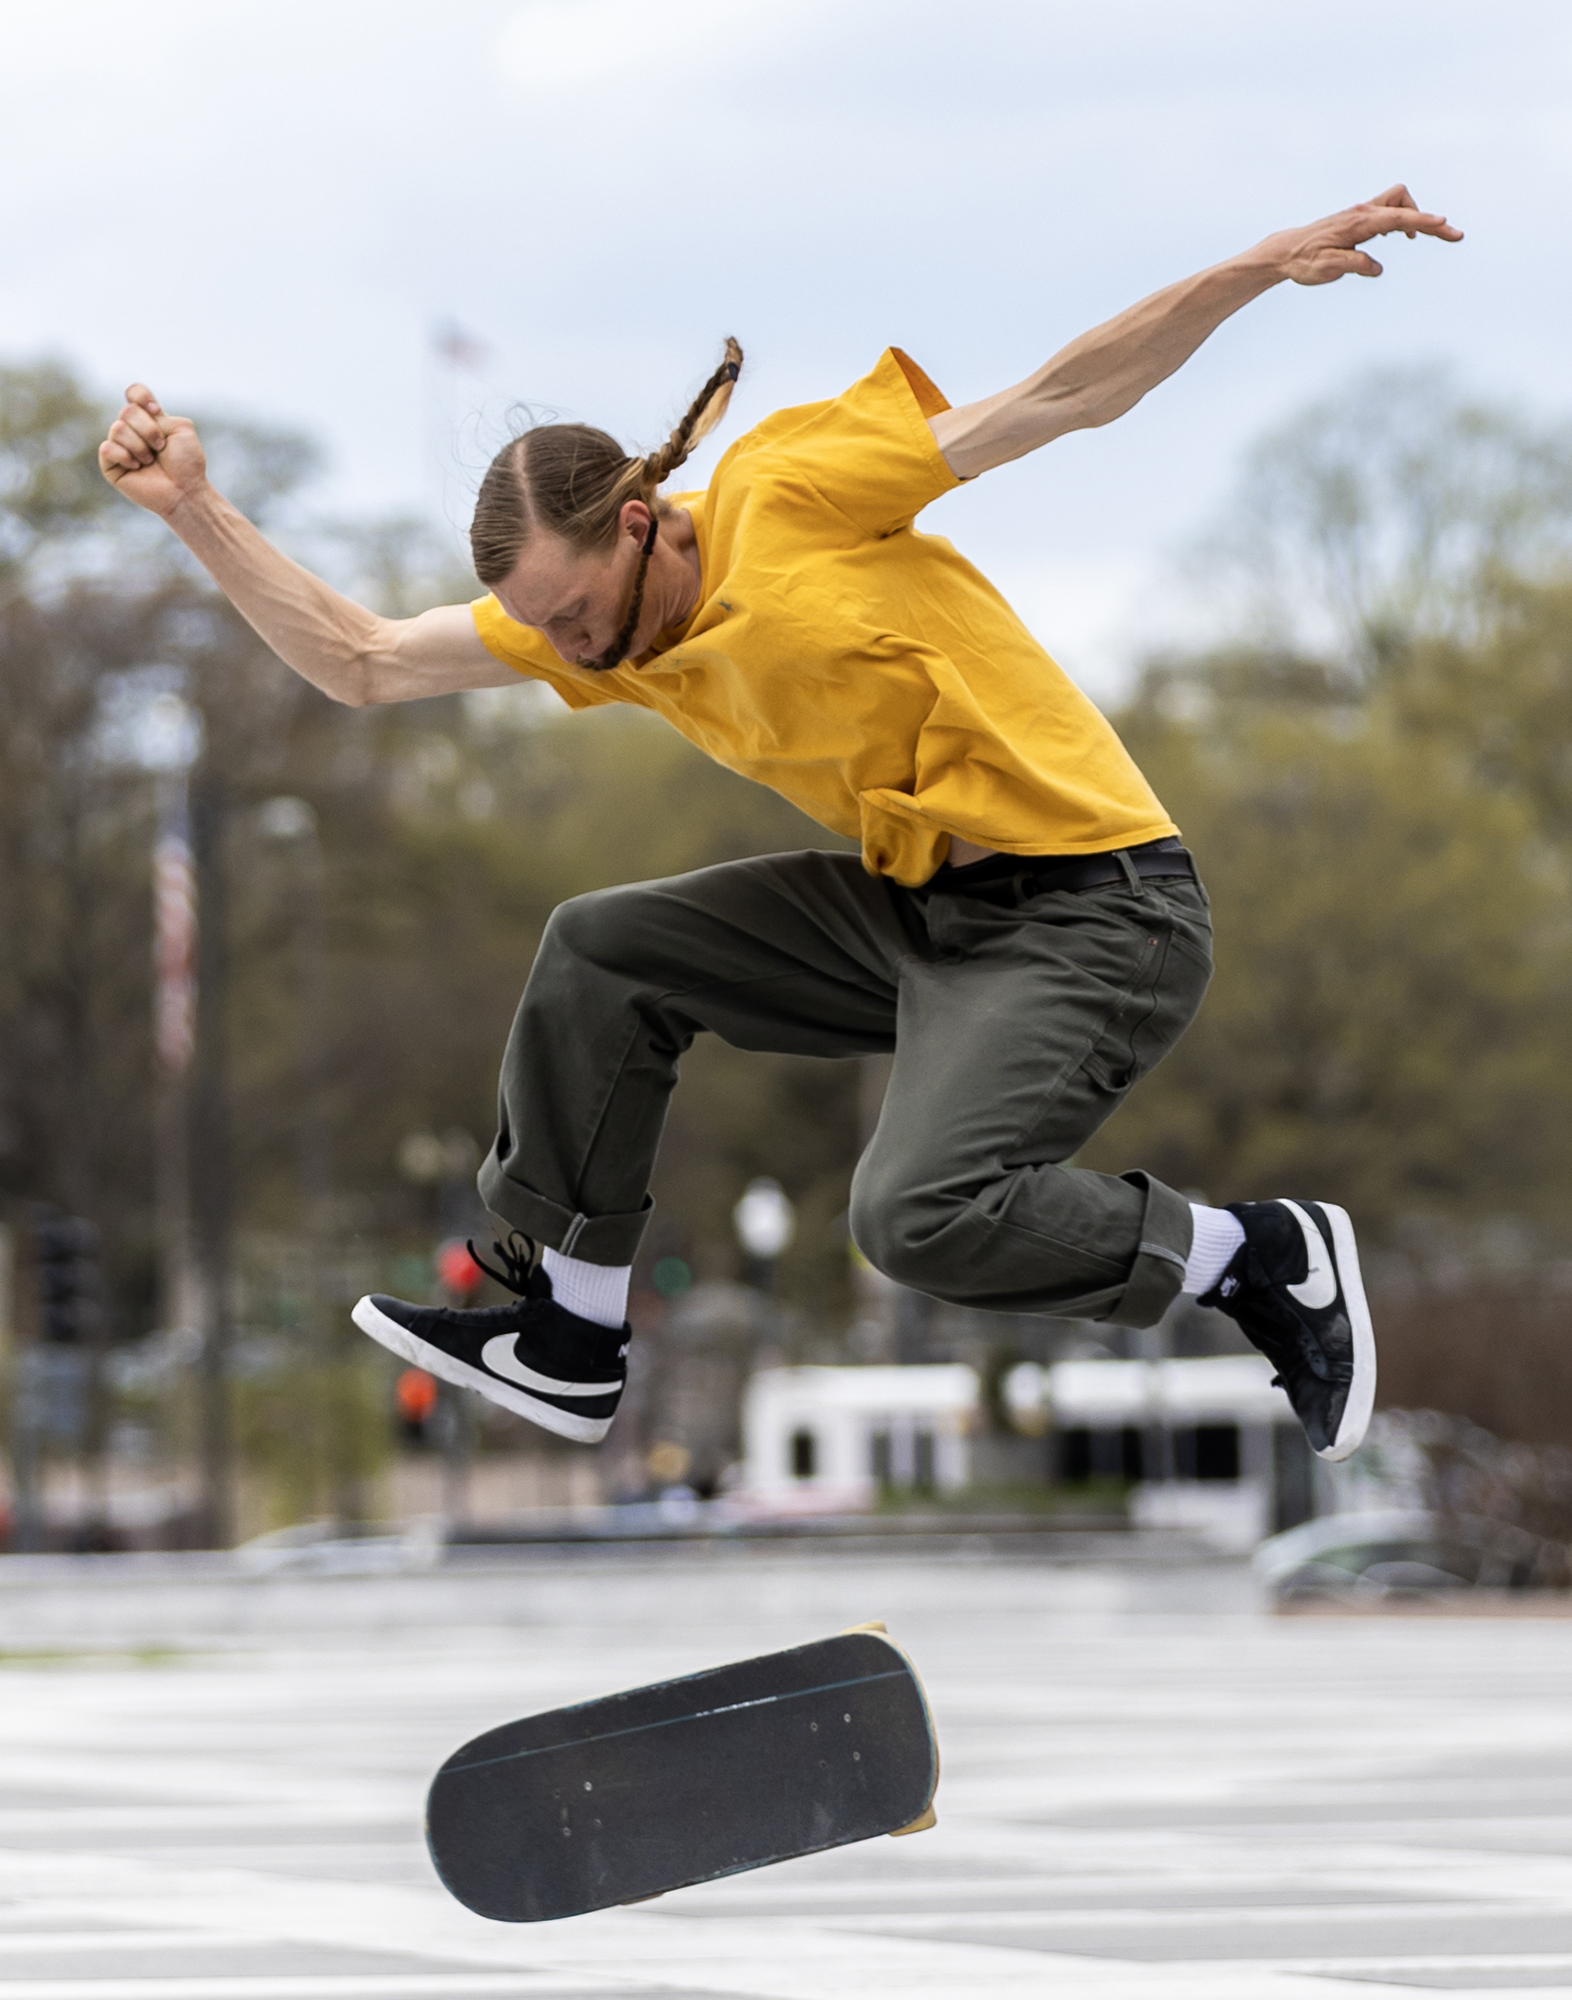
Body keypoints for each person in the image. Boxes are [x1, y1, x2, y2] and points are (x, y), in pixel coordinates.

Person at [100, 185, 1461, 1464]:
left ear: (643, 525)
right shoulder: (588, 634)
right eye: (548, 633)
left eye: (580, 614)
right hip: (927, 915)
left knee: (911, 1216)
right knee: (601, 951)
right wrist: (197, 511)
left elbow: (1058, 396)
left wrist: (1252, 269)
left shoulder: (787, 492)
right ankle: (570, 1328)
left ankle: (1257, 1255)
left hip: (1104, 912)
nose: (575, 650)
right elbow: (364, 661)